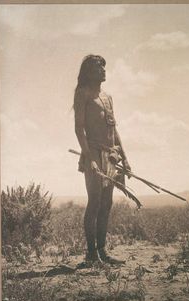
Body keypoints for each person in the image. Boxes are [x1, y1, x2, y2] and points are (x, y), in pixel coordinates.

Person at [74, 55, 131, 265]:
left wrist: (124, 158)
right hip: (93, 153)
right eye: (99, 67)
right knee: (95, 202)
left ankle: (102, 252)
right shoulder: (83, 94)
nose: (104, 70)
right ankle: (91, 255)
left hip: (111, 156)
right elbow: (79, 128)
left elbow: (114, 130)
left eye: (104, 67)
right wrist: (90, 158)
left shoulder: (107, 98)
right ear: (89, 71)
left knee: (106, 204)